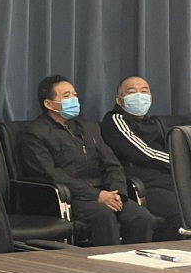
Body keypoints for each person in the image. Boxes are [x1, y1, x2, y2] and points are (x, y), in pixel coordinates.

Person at [20, 74, 155, 246]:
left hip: (105, 192)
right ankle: (107, 261)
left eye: (74, 94)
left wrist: (118, 194)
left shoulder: (89, 128)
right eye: (67, 96)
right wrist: (96, 195)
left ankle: (135, 262)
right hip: (69, 197)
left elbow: (112, 164)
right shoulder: (36, 134)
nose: (74, 99)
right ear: (49, 104)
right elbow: (51, 174)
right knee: (104, 216)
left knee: (142, 217)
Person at [100, 76, 181, 240]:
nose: (139, 96)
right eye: (132, 92)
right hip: (143, 186)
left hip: (168, 182)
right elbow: (143, 152)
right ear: (119, 100)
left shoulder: (151, 123)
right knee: (182, 212)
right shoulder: (116, 120)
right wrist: (179, 163)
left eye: (144, 91)